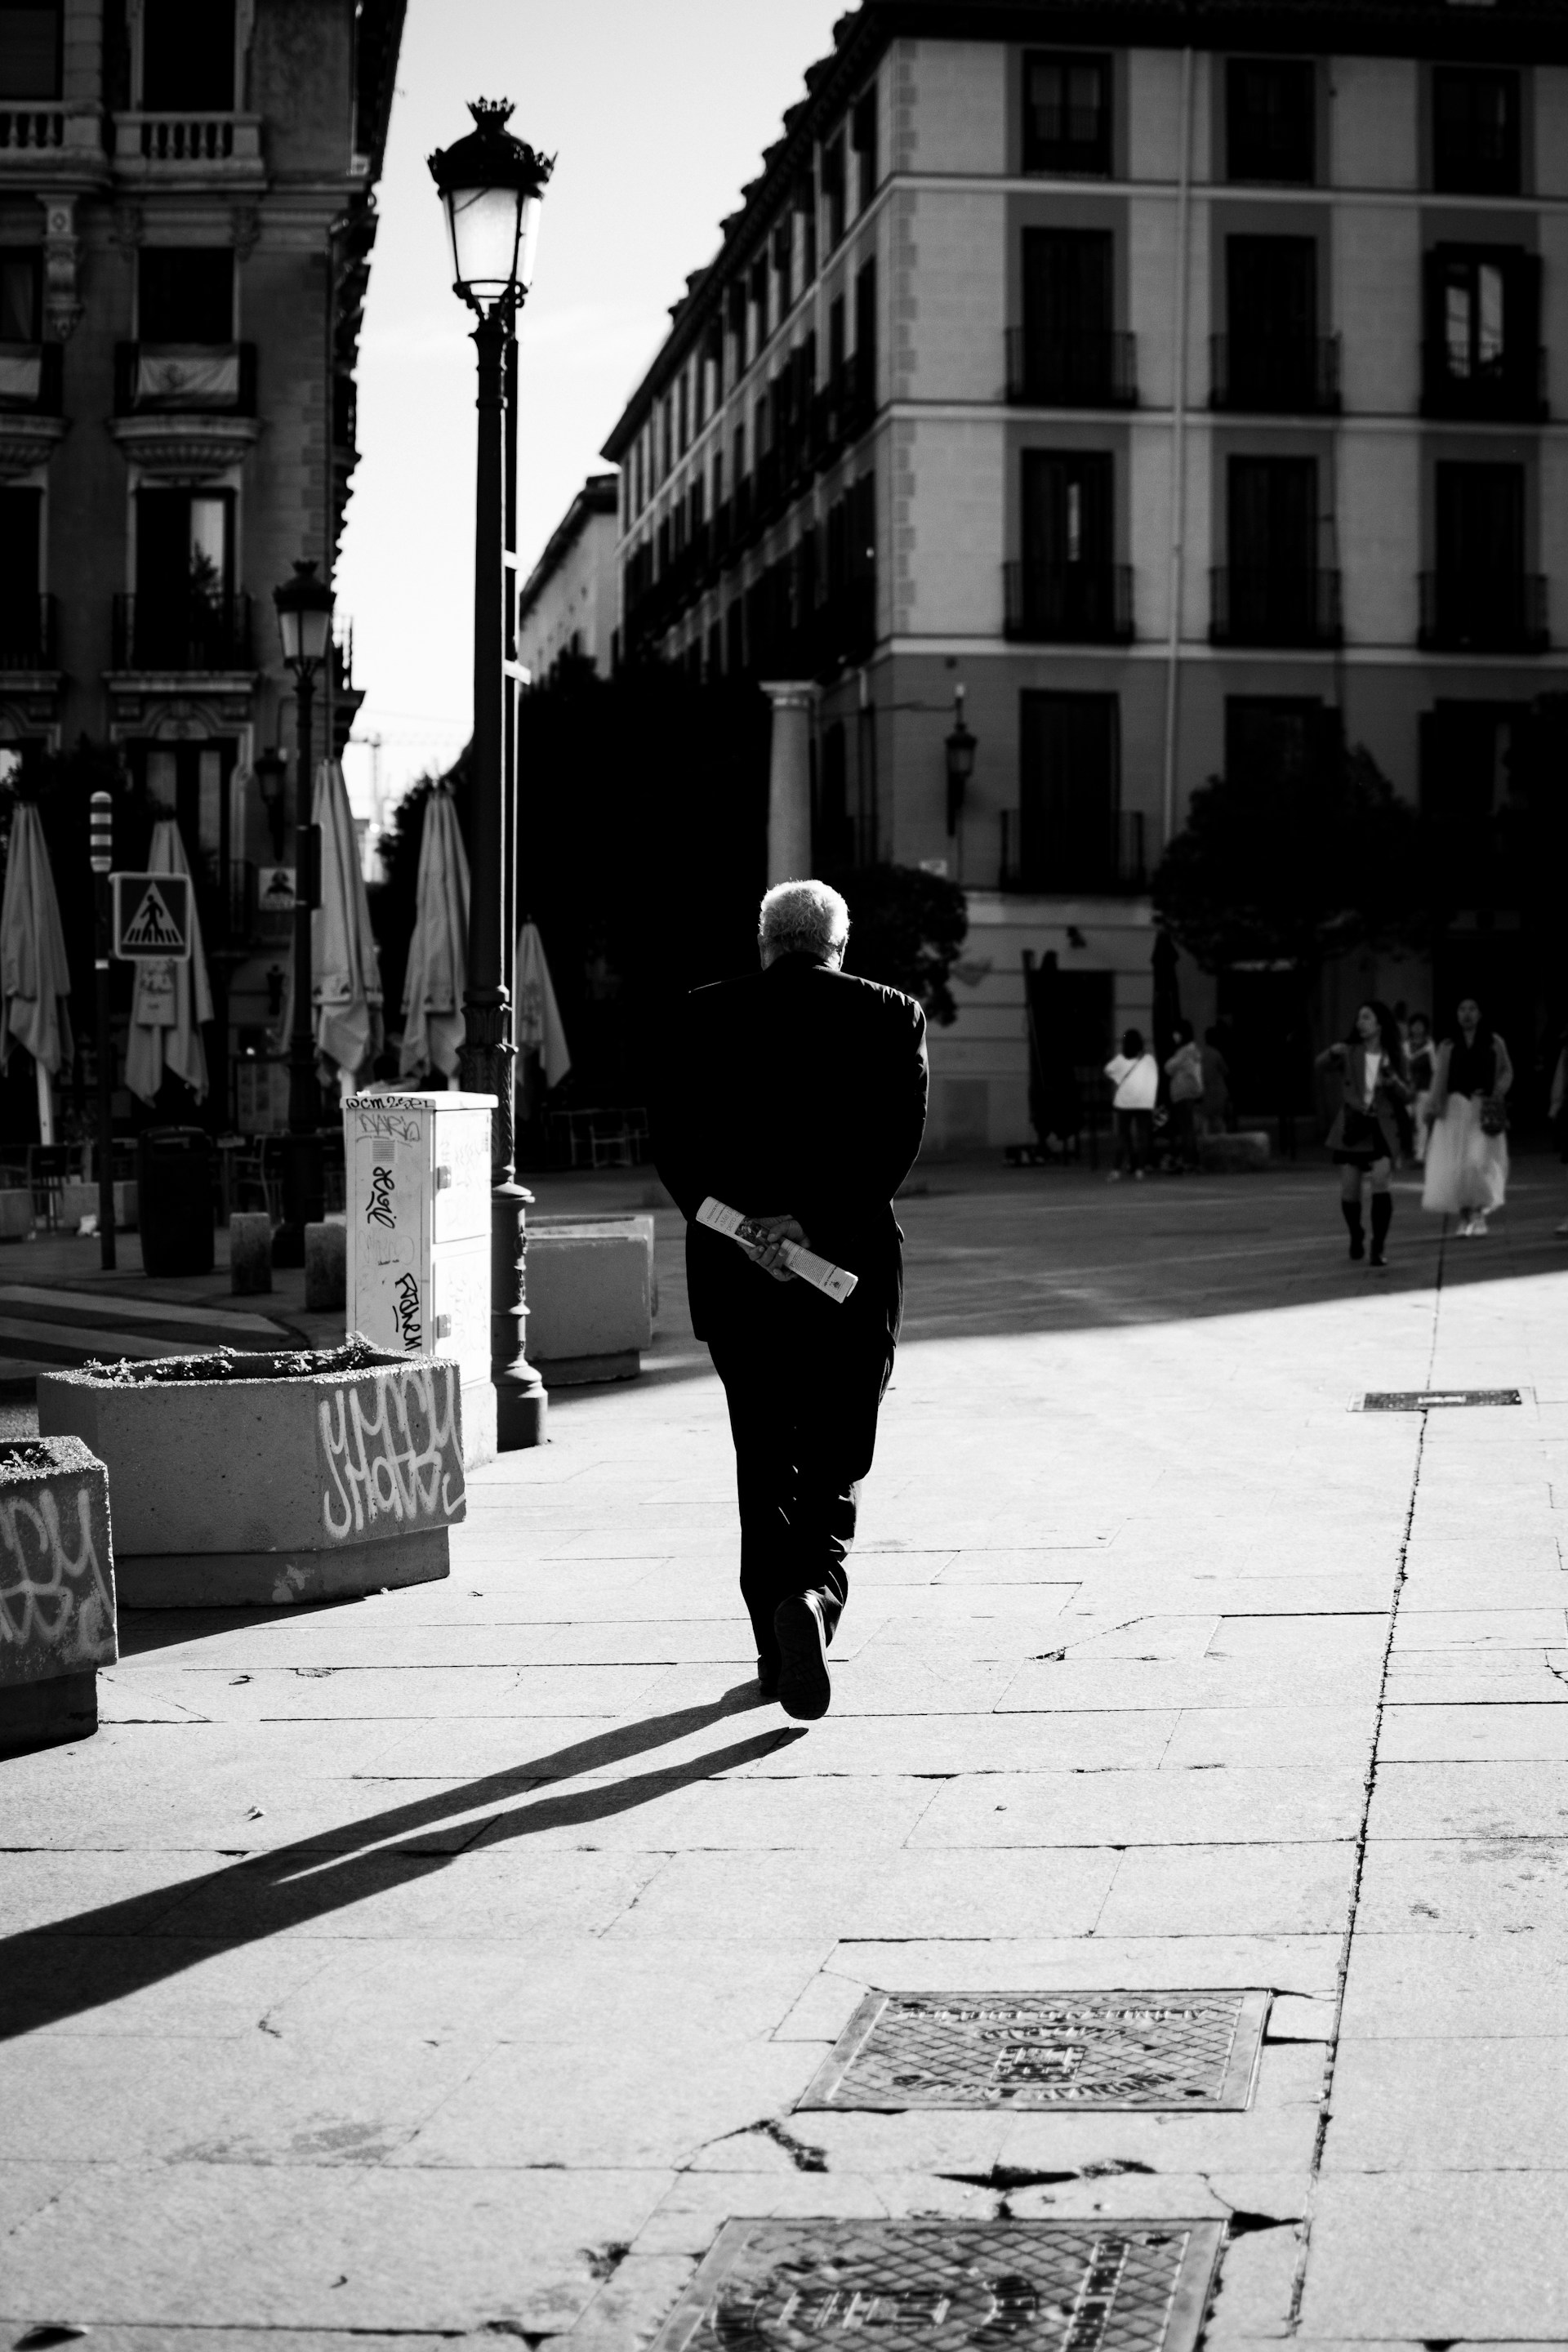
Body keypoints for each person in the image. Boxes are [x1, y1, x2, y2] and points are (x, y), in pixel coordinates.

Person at [653, 879, 928, 1722]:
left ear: (764, 944)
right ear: (837, 946)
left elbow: (673, 1148)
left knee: (762, 1456)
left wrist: (749, 1230)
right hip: (847, 1276)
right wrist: (811, 1224)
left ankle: (776, 1651)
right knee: (836, 1459)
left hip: (740, 1280)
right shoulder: (891, 1014)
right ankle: (814, 1595)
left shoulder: (700, 1013)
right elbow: (897, 1141)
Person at [1316, 1000, 1410, 1269]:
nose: (1361, 1022)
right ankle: (1356, 1233)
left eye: (1367, 1017)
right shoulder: (1349, 1052)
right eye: (1359, 1018)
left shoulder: (1393, 1054)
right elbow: (1320, 1065)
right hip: (1353, 1127)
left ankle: (1378, 1246)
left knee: (1381, 1182)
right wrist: (1331, 1051)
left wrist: (1393, 1083)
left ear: (1380, 1023)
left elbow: (1407, 1093)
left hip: (1381, 1126)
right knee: (1350, 1191)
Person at [1423, 996, 1512, 1237]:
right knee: (1457, 1165)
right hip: (1454, 1108)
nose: (1467, 1014)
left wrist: (1497, 1092)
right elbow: (1439, 1078)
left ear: (1481, 1013)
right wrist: (1432, 1106)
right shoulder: (1448, 1045)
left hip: (1483, 1109)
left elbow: (1506, 1071)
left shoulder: (1494, 1042)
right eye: (1462, 1009)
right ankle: (1465, 1216)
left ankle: (1479, 1211)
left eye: (1472, 1008)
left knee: (1479, 1162)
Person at [1104, 1027, 1157, 1179]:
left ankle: (1117, 1169)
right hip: (1144, 1102)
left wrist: (1118, 1079)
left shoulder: (1120, 1060)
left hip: (1124, 1103)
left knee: (1123, 1135)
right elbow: (1153, 1078)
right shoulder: (1149, 1060)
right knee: (1144, 1136)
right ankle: (1140, 1168)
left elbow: (1107, 1070)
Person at [1164, 1020, 1204, 1171]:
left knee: (1187, 1129)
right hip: (1189, 1092)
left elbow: (1169, 1067)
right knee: (1189, 1128)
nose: (1174, 1036)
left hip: (1183, 1093)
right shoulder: (1192, 1050)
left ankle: (1189, 1160)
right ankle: (1191, 1160)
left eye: (1176, 1032)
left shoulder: (1185, 1051)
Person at [1405, 1013, 1436, 1164]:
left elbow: (1435, 1069)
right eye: (1414, 1025)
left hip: (1424, 1089)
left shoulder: (1430, 1046)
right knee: (1407, 1120)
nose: (1417, 1028)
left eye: (1420, 1025)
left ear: (1425, 1028)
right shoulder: (1405, 1046)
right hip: (1406, 1090)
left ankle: (1420, 1155)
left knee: (1421, 1123)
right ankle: (1407, 1151)